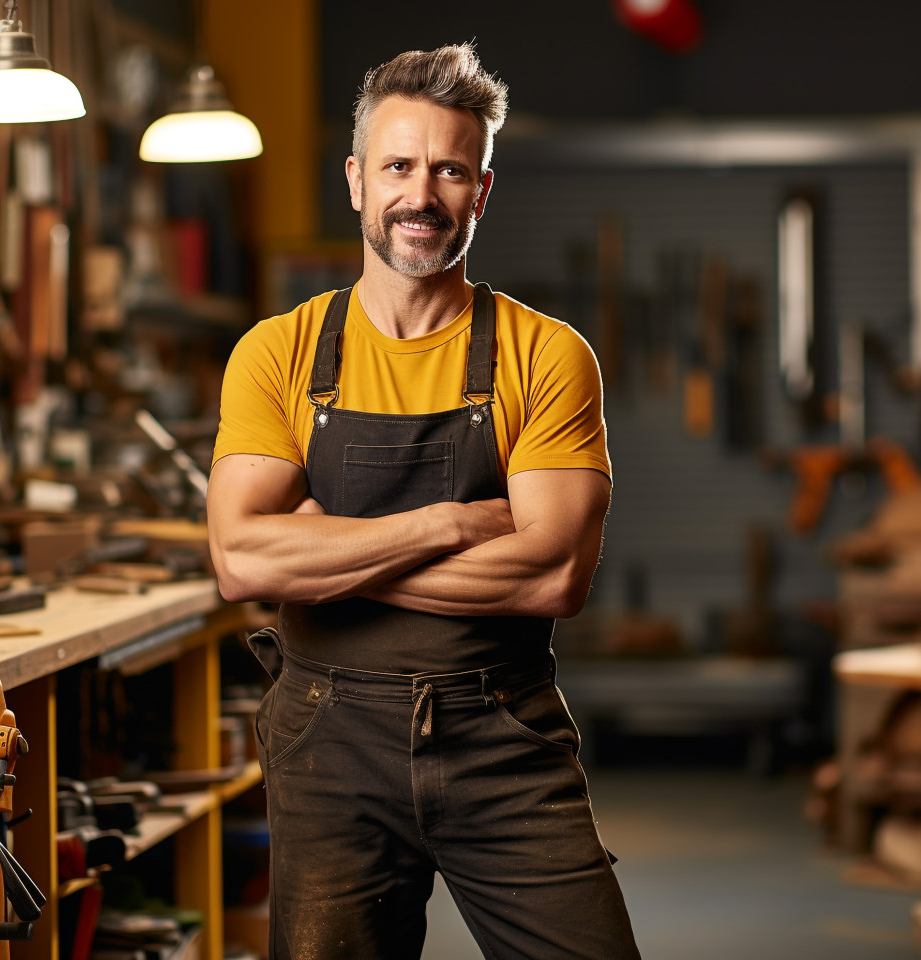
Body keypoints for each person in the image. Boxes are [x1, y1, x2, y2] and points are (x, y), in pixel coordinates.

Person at [207, 42, 641, 960]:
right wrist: (449, 523)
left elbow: (554, 574)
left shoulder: (547, 355)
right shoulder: (278, 352)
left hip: (502, 733)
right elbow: (241, 560)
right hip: (328, 738)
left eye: (450, 169)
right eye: (399, 165)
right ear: (358, 179)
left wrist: (330, 559)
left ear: (480, 192)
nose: (422, 193)